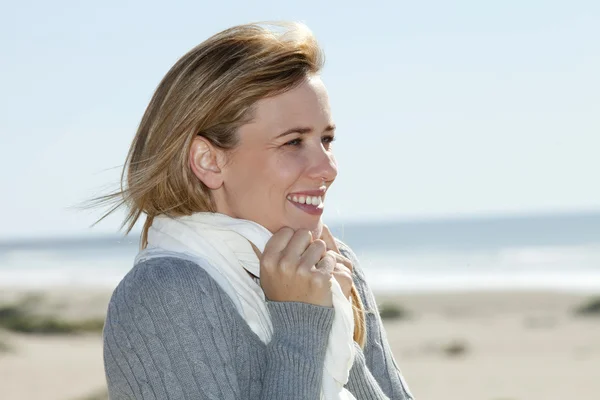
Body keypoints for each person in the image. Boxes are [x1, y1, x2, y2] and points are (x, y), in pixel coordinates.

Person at [99, 22, 414, 399]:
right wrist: (302, 320)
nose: (328, 168)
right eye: (294, 142)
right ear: (209, 161)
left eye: (326, 139)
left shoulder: (334, 268)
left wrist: (336, 325)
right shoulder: (164, 294)